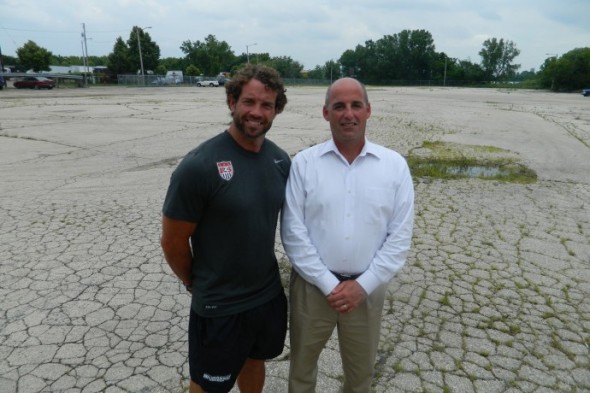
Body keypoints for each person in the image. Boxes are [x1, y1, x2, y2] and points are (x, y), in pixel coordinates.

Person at [160, 64, 290, 393]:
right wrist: (195, 281)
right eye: (249, 102)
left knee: (254, 360)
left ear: (277, 109)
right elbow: (173, 242)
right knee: (207, 384)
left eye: (266, 105)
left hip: (266, 296)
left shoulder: (280, 161)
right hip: (220, 304)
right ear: (232, 102)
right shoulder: (199, 166)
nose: (257, 112)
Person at [281, 77, 414, 393]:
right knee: (301, 371)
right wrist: (329, 285)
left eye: (356, 105)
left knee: (360, 376)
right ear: (326, 113)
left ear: (368, 110)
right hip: (313, 289)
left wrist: (362, 286)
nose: (348, 114)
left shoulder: (394, 166)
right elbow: (293, 232)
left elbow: (399, 238)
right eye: (338, 106)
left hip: (366, 290)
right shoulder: (304, 164)